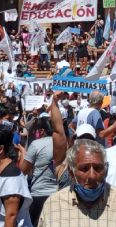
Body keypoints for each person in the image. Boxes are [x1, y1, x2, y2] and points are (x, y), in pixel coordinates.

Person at [37, 139, 116, 227]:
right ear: (71, 173)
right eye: (84, 169)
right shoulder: (53, 205)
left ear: (106, 171)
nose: (92, 176)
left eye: (98, 168)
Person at [18, 93, 67, 224]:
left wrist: (23, 153)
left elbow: (23, 170)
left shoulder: (36, 144)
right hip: (57, 194)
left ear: (42, 131)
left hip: (38, 194)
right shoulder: (63, 144)